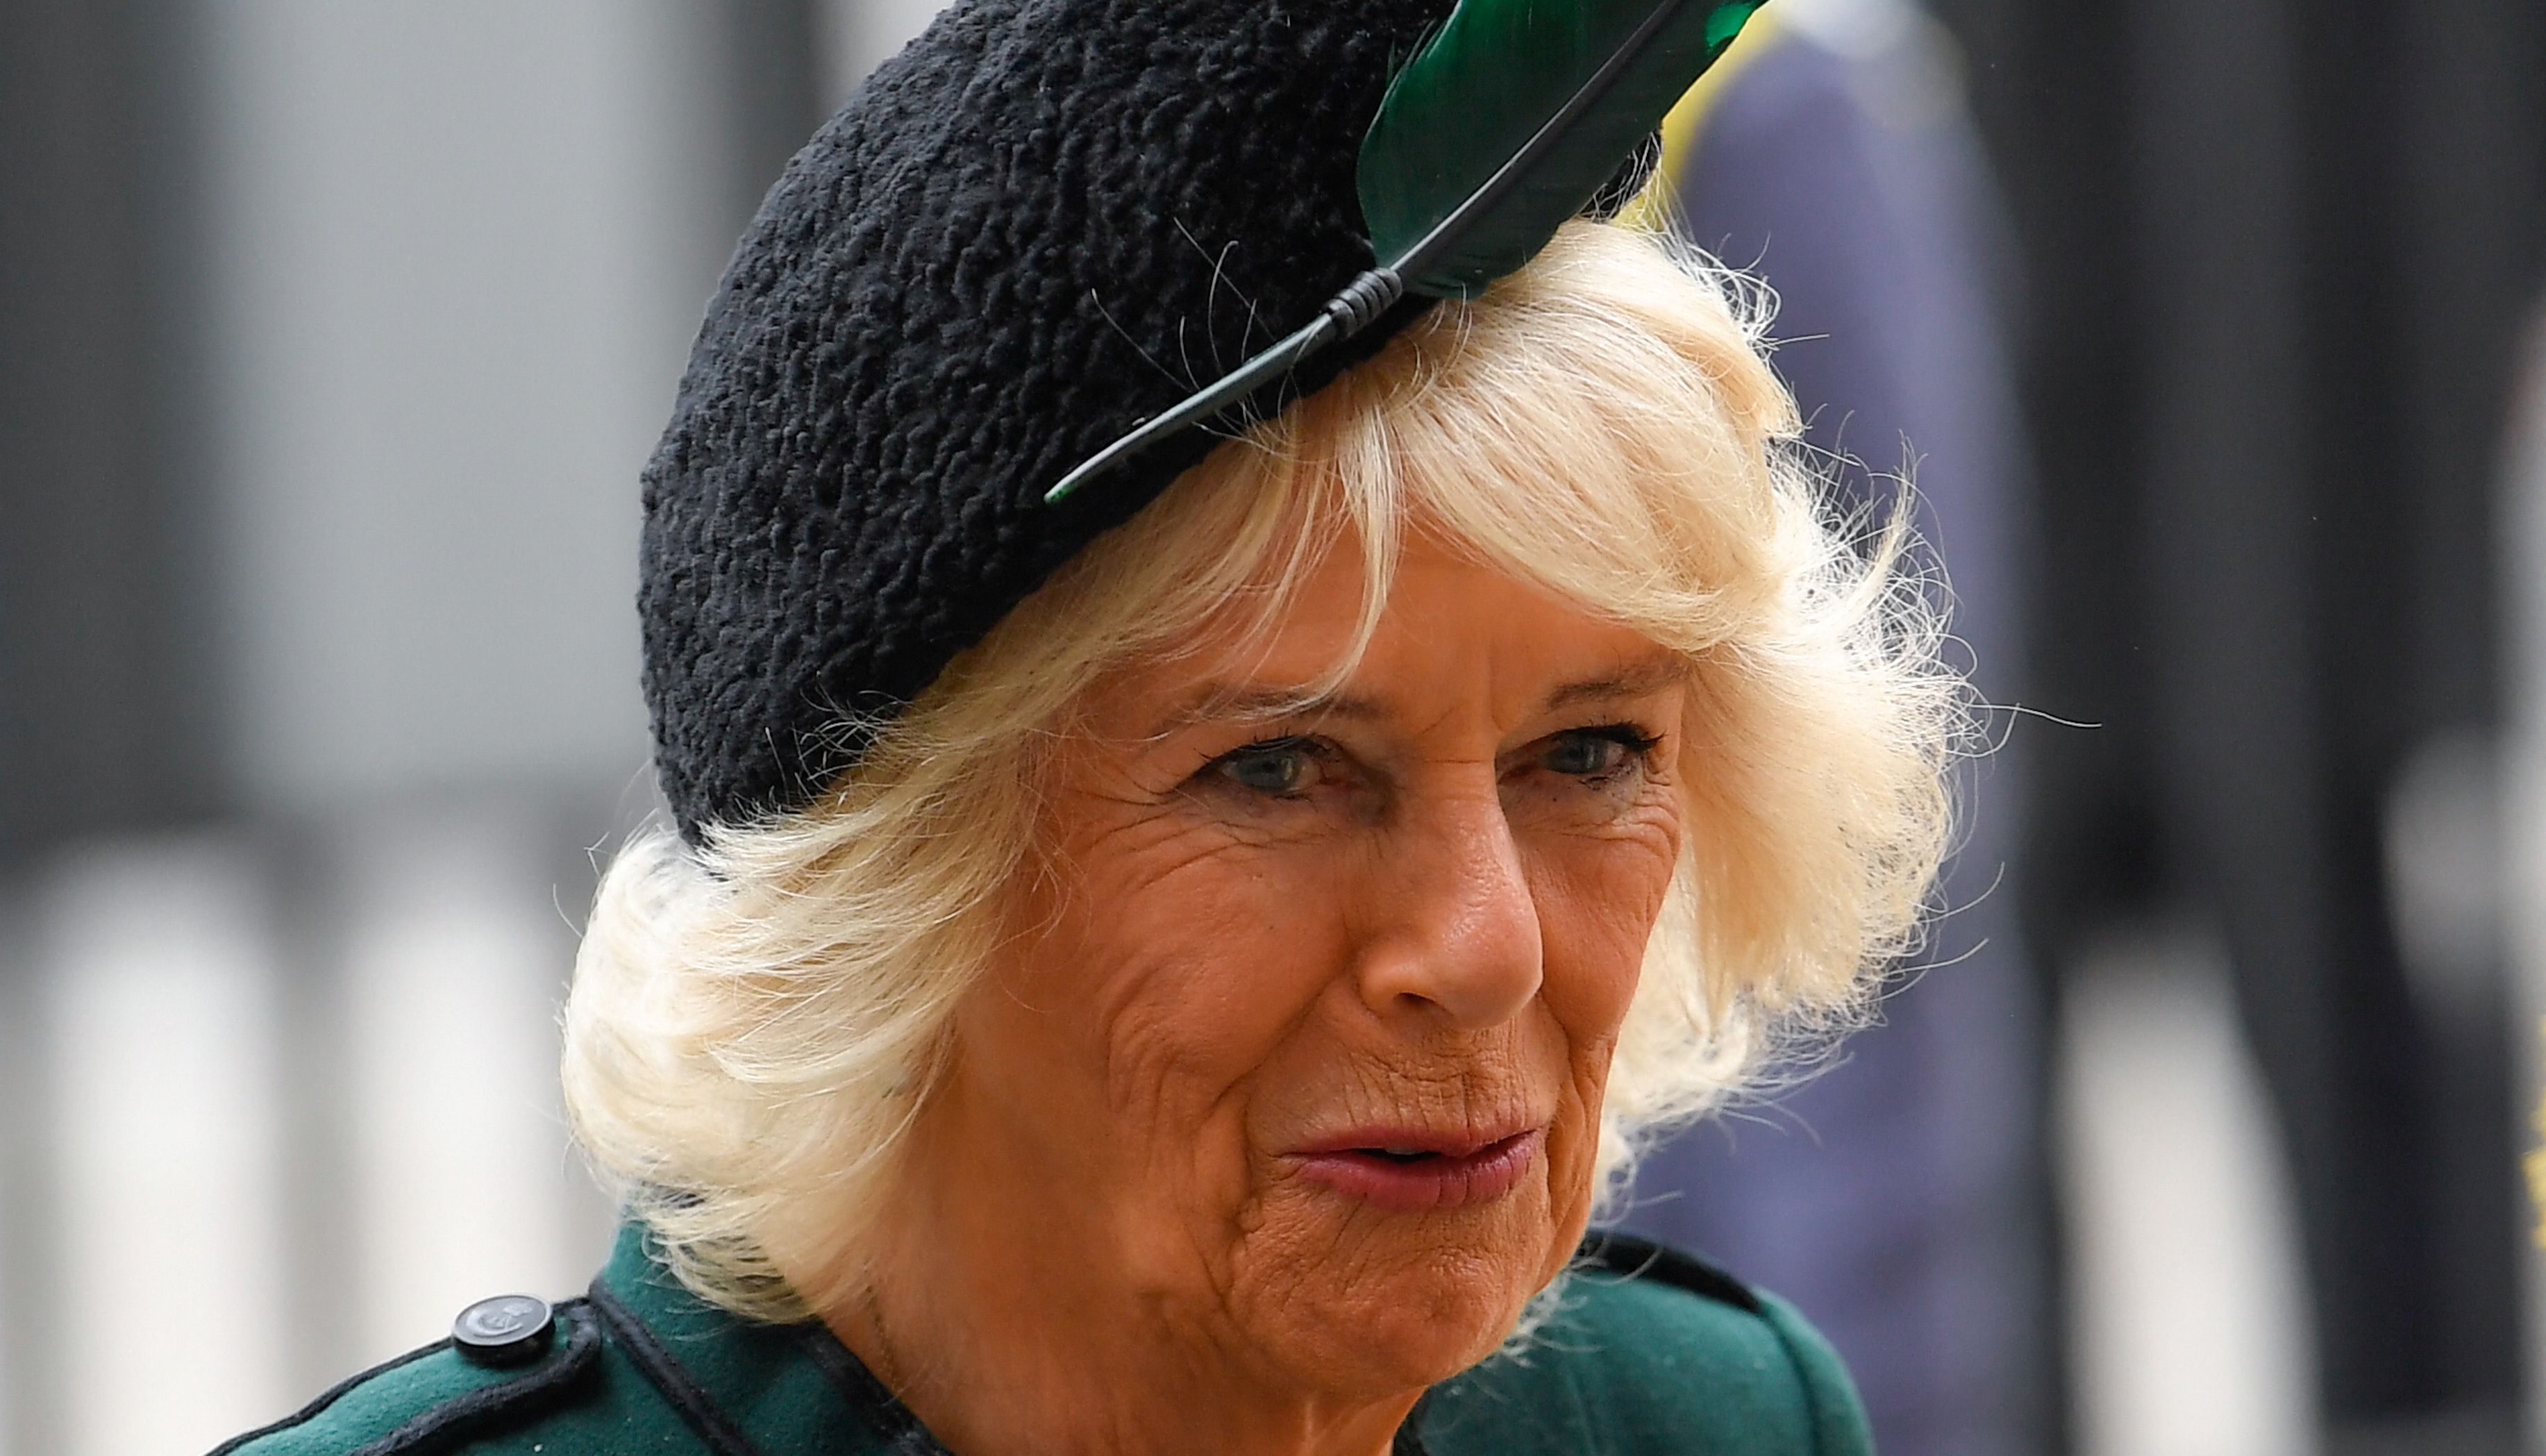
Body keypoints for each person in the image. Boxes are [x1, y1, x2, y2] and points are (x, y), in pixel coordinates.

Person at [212, 1, 1963, 1451]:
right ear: (905, 876)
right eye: (1277, 767)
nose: (1485, 941)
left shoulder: (1709, 1425)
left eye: (1591, 753)